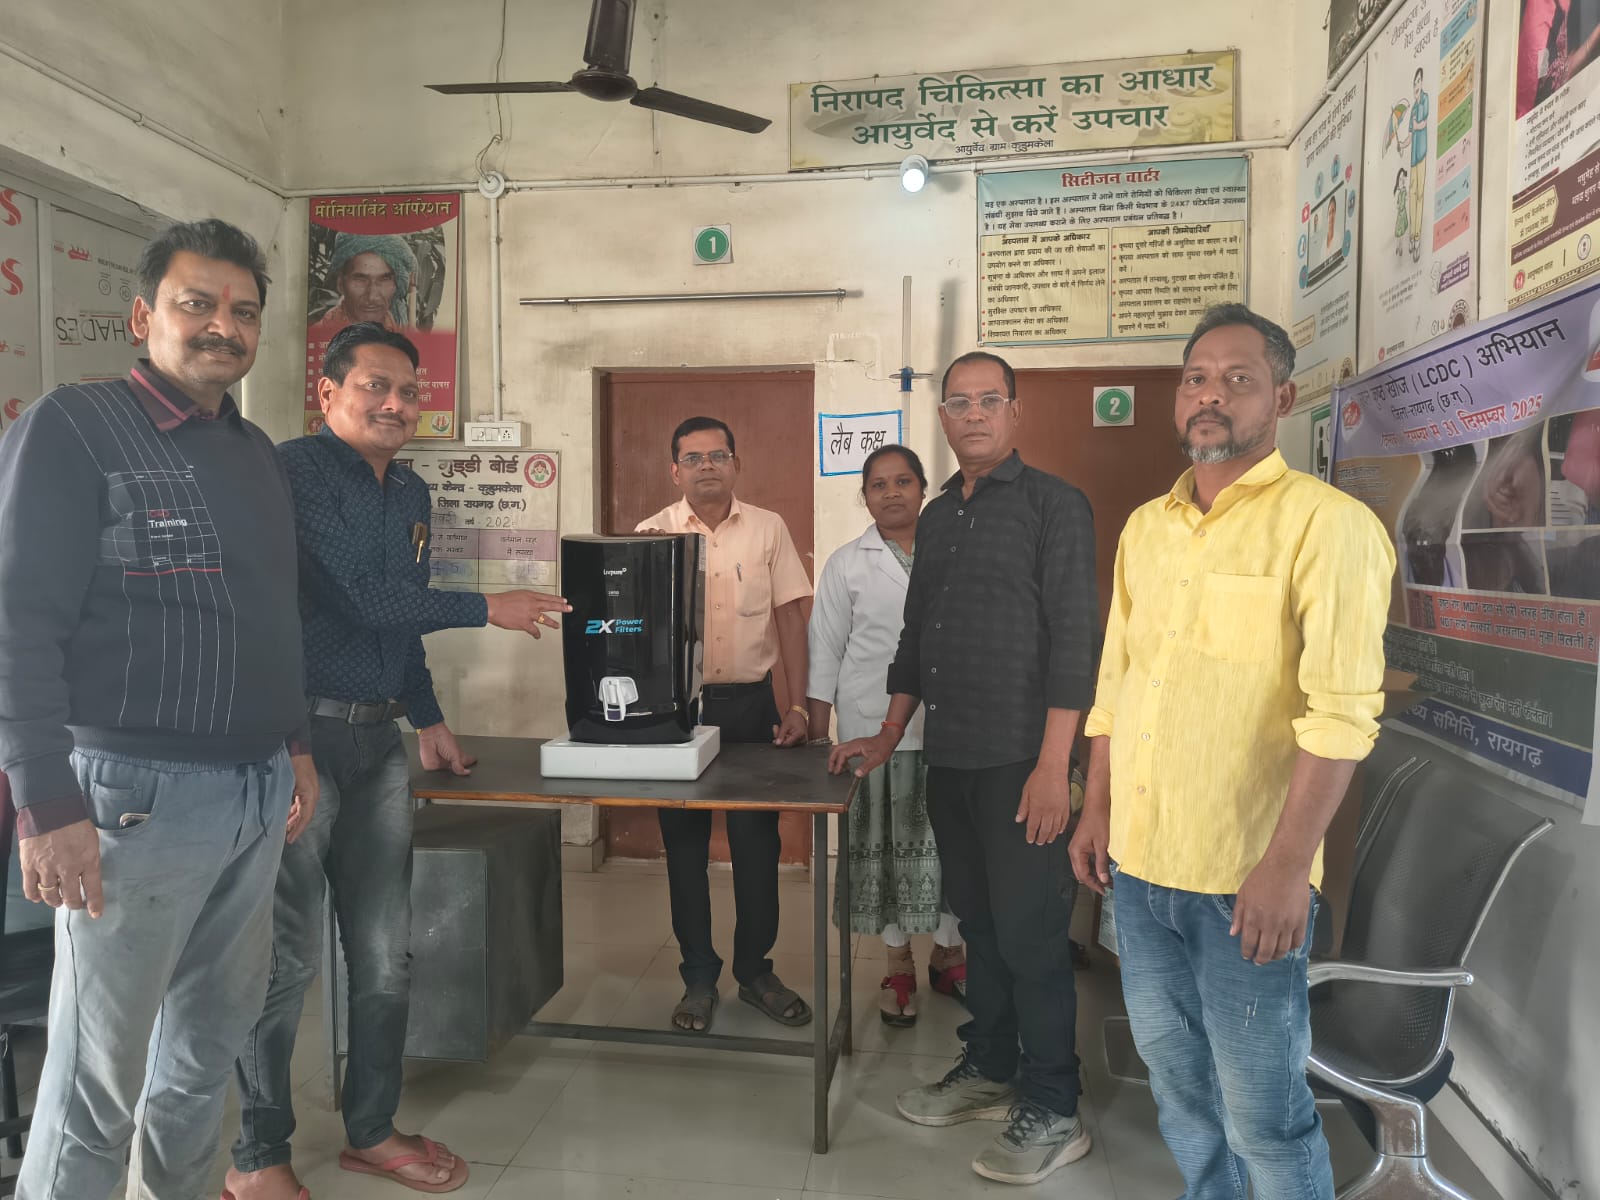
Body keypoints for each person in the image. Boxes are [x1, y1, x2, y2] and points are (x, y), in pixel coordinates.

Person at [0, 219, 319, 1200]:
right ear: (144, 317)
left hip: (255, 792)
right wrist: (46, 804)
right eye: (197, 303)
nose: (223, 325)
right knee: (98, 1079)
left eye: (243, 311)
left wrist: (296, 745)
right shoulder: (72, 426)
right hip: (131, 798)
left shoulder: (256, 452)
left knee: (203, 1055)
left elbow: (271, 613)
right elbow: (18, 622)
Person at [224, 323, 571, 1200]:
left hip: (379, 745)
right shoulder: (294, 472)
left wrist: (428, 718)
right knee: (285, 961)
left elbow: (402, 615)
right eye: (374, 386)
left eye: (409, 391)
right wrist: (488, 607)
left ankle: (372, 1130)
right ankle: (257, 1154)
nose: (394, 403)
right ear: (328, 393)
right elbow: (354, 595)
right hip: (297, 743)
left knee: (384, 954)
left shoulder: (411, 491)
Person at [1069, 304, 1394, 1200]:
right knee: (1179, 1088)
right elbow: (1115, 686)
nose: (1211, 395)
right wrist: (1097, 810)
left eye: (1238, 380)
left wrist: (1287, 869)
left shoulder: (1327, 527)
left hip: (1246, 879)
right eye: (1197, 379)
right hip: (1141, 871)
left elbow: (1340, 718)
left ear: (1281, 399)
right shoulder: (1148, 528)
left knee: (1264, 1114)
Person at [830, 352, 1098, 1186]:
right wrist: (887, 734)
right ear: (943, 417)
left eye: (989, 400)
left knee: (1030, 936)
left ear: (1014, 412)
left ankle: (1054, 1103)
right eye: (959, 402)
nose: (974, 414)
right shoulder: (941, 516)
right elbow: (917, 639)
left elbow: (1076, 642)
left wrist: (1054, 767)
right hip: (950, 759)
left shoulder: (1056, 505)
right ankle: (990, 1066)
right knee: (978, 926)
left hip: (1024, 762)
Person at [637, 417, 814, 1033]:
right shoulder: (652, 534)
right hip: (676, 713)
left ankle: (756, 972)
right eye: (693, 457)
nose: (706, 466)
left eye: (718, 455)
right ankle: (698, 978)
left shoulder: (768, 528)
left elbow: (791, 618)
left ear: (736, 464)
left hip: (750, 709)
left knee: (757, 846)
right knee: (684, 850)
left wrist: (798, 706)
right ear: (674, 471)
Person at [806, 444, 965, 1028]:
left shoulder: (955, 550)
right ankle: (897, 964)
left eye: (903, 481)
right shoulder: (847, 563)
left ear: (923, 488)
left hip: (952, 727)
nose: (892, 492)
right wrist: (817, 726)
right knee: (884, 853)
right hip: (871, 728)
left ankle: (950, 954)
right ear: (865, 496)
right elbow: (825, 648)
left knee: (951, 848)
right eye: (879, 484)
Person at [311, 233, 416, 333]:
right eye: (360, 280)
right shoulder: (319, 336)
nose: (372, 297)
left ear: (396, 286)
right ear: (341, 284)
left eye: (383, 280)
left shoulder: (397, 329)